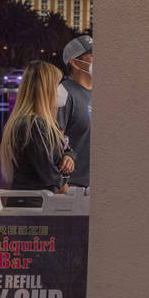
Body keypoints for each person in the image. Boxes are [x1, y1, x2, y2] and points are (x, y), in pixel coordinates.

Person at [0, 59, 75, 192]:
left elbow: (64, 145)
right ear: (45, 89)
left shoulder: (46, 122)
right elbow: (47, 172)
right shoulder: (32, 125)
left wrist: (68, 156)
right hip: (34, 204)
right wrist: (65, 188)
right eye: (58, 84)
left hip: (39, 202)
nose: (61, 89)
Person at [57, 35, 92, 190]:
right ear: (75, 63)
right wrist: (63, 187)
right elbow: (54, 143)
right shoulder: (63, 92)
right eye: (91, 55)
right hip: (75, 188)